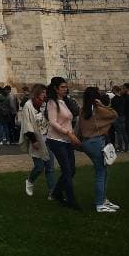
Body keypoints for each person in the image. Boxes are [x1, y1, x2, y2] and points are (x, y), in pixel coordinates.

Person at [77, 86, 120, 213]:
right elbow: (114, 114)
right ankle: (100, 203)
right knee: (101, 172)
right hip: (96, 142)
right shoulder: (98, 109)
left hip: (87, 143)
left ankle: (103, 199)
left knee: (103, 171)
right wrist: (103, 105)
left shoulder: (82, 110)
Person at [45, 76, 81, 209]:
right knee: (66, 170)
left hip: (66, 140)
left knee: (71, 170)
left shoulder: (64, 101)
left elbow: (70, 118)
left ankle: (56, 193)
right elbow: (53, 122)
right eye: (62, 87)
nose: (65, 89)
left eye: (66, 87)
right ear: (55, 88)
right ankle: (71, 200)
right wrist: (69, 133)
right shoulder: (52, 103)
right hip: (56, 140)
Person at [19, 83, 56, 197]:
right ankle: (30, 181)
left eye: (45, 93)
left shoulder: (44, 105)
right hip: (36, 139)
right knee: (39, 167)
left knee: (50, 167)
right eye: (43, 93)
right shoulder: (28, 106)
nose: (44, 95)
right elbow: (27, 124)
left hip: (47, 138)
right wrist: (33, 140)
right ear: (37, 93)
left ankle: (52, 192)